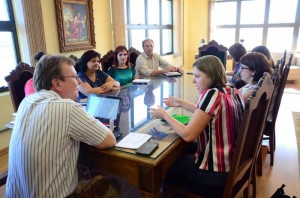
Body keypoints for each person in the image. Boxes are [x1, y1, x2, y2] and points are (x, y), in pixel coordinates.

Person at [6, 54, 116, 197]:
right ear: (57, 84)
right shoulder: (67, 108)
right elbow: (109, 140)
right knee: (119, 187)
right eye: (74, 77)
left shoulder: (26, 102)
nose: (79, 82)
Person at [149, 55, 244, 191]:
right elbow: (208, 112)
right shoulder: (232, 91)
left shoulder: (210, 94)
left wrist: (165, 114)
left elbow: (188, 135)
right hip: (231, 163)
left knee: (164, 164)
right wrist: (180, 103)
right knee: (180, 152)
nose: (194, 81)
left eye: (197, 76)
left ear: (211, 76)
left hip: (215, 171)